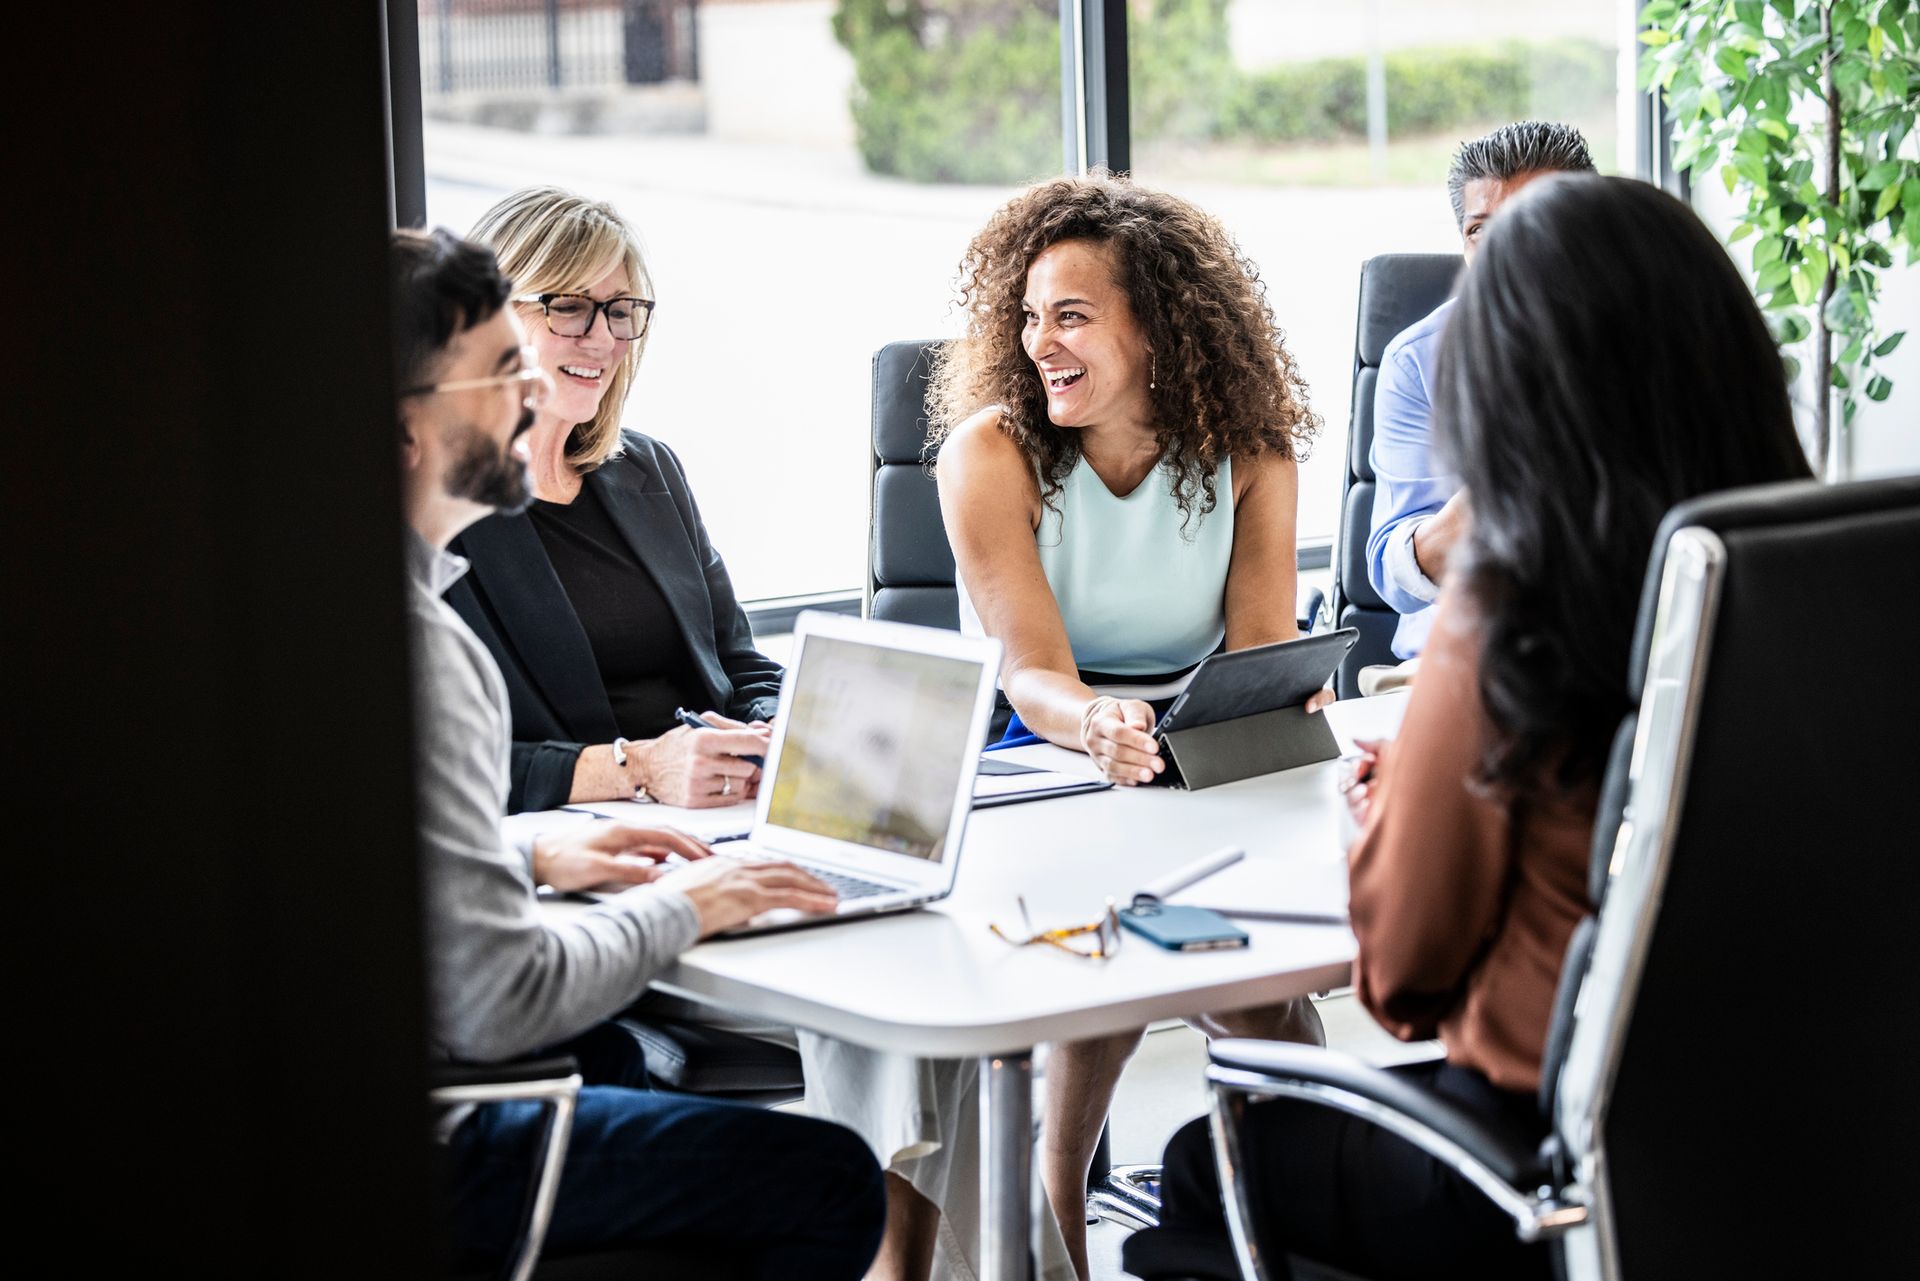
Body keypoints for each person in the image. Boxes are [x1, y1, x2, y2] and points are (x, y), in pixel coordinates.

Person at [1126, 175, 1814, 1281]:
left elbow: (1402, 989)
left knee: (1205, 1167)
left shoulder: (1505, 605)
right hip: (1805, 1131)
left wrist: (1388, 816)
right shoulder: (1824, 573)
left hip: (1552, 1170)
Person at [804, 173, 1327, 1281]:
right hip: (1034, 751)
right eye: (1031, 317)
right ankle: (1059, 1223)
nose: (1042, 342)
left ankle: (1297, 1223)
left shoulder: (1252, 450)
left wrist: (1279, 693)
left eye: (1073, 316)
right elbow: (1032, 671)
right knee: (1115, 938)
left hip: (1193, 752)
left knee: (1261, 987)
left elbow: (1258, 645)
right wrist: (1096, 725)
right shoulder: (989, 451)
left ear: (1159, 328)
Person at [395, 226, 886, 1276]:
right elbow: (502, 1003)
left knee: (622, 1051)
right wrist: (691, 905)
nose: (529, 397)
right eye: (496, 373)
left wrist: (532, 859)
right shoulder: (424, 649)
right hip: (438, 1142)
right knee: (828, 1178)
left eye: (621, 311)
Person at [444, 186, 778, 814]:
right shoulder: (437, 509)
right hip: (569, 835)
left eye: (620, 310)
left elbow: (739, 665)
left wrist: (769, 731)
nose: (601, 339)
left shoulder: (649, 468)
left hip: (718, 811)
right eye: (568, 307)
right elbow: (439, 761)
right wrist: (639, 768)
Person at [1366, 121, 1595, 660]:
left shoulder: (1654, 337)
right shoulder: (1417, 361)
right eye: (1481, 231)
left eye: (1534, 222)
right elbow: (1397, 575)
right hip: (1465, 658)